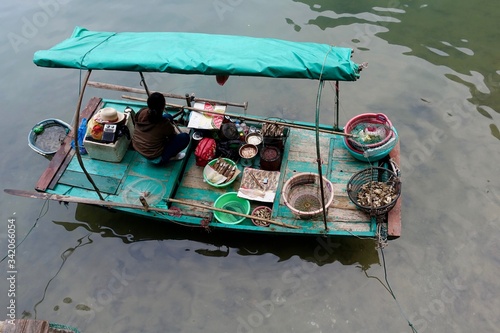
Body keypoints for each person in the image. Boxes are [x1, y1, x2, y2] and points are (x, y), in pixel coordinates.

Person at [132, 92, 190, 164]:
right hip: (155, 157)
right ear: (163, 106)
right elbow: (172, 136)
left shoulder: (141, 112)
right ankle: (171, 156)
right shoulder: (163, 124)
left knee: (168, 116)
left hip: (138, 148)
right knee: (184, 137)